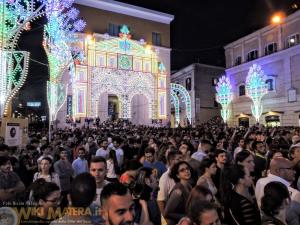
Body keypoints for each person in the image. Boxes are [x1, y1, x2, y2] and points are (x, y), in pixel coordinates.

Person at [164, 161, 192, 225]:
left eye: (187, 168)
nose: (186, 171)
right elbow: (166, 213)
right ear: (178, 175)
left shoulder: (189, 186)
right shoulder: (177, 192)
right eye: (182, 170)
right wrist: (186, 216)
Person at [157, 150, 181, 216]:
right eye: (178, 159)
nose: (181, 161)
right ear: (171, 161)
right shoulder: (165, 178)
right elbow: (160, 201)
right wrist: (165, 219)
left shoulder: (182, 174)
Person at [89, 156, 109, 225]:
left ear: (106, 171)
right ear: (89, 171)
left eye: (100, 170)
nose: (97, 174)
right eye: (93, 170)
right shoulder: (83, 190)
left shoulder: (113, 189)